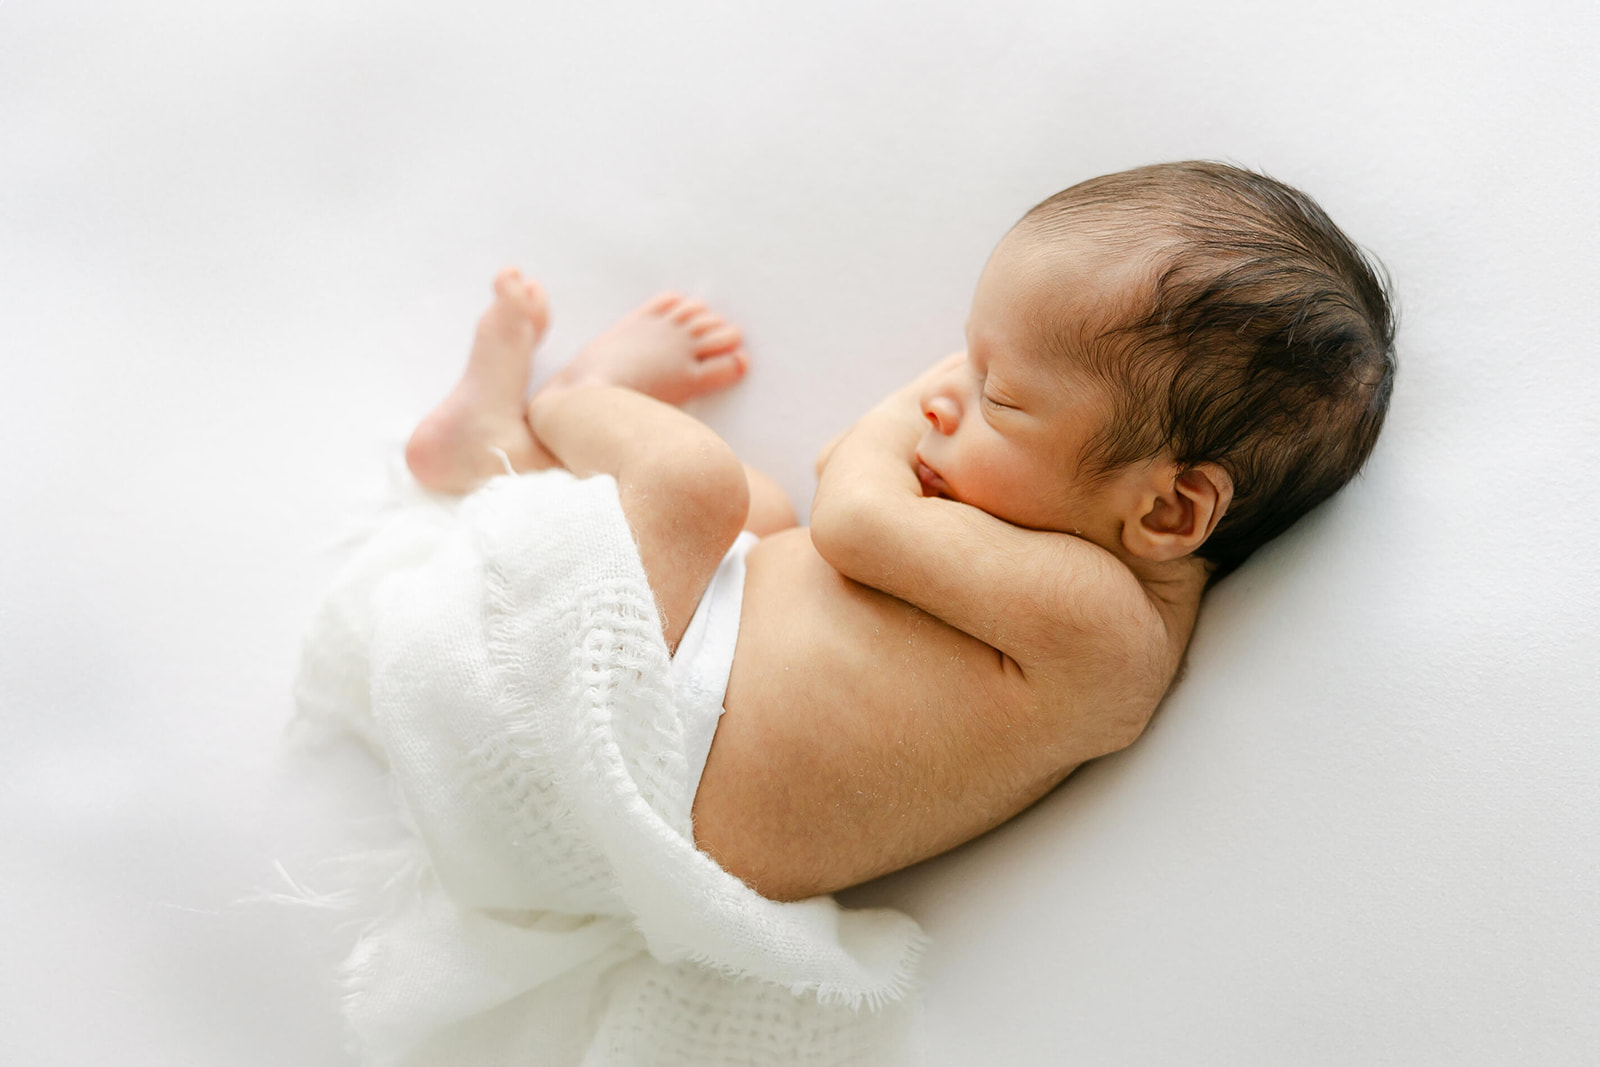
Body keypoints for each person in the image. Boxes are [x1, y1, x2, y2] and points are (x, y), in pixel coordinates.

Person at [401, 160, 1396, 902]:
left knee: (698, 484)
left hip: (639, 765)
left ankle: (570, 404)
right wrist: (991, 396)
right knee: (758, 514)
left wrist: (907, 404)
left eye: (995, 394)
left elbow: (854, 508)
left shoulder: (1102, 625)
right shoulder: (1073, 591)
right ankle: (499, 454)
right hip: (664, 695)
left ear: (1167, 510)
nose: (939, 403)